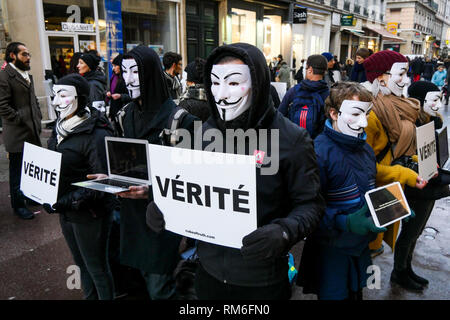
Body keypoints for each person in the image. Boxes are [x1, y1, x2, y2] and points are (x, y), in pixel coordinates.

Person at [146, 43, 325, 300]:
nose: (220, 95)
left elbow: (311, 204)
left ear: (258, 82)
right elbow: (189, 187)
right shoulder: (205, 132)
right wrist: (163, 206)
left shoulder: (292, 140)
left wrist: (285, 230)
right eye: (215, 83)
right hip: (208, 274)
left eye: (232, 83)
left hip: (260, 281)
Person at [95, 45, 195, 300]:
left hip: (163, 218)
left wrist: (152, 191)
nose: (127, 79)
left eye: (134, 71)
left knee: (160, 285)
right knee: (139, 280)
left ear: (150, 73)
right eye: (124, 71)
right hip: (131, 216)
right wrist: (108, 178)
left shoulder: (180, 120)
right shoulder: (125, 114)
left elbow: (192, 176)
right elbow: (121, 157)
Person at [297, 82, 386, 300]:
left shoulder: (364, 148)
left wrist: (391, 207)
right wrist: (343, 222)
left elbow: (367, 186)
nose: (364, 122)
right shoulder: (318, 153)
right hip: (331, 250)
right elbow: (308, 207)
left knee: (356, 294)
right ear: (334, 113)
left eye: (367, 113)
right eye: (355, 114)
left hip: (359, 245)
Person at [43, 73, 116, 300]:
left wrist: (67, 200)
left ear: (80, 98)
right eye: (55, 95)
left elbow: (102, 182)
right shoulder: (61, 128)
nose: (56, 102)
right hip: (67, 211)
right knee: (80, 264)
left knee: (97, 267)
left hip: (90, 214)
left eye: (63, 95)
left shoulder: (97, 134)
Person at [362, 50, 429, 260]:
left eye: (406, 73)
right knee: (366, 255)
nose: (406, 80)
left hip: (390, 190)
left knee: (377, 247)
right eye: (400, 74)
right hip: (374, 193)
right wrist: (404, 174)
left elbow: (398, 149)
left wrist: (419, 161)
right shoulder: (369, 114)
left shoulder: (399, 106)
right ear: (380, 78)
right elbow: (364, 167)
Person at [392, 81, 450, 291]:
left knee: (416, 232)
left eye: (439, 99)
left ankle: (406, 268)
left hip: (428, 184)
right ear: (419, 101)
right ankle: (399, 271)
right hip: (416, 187)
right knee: (409, 232)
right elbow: (401, 158)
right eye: (433, 100)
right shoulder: (411, 125)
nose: (438, 104)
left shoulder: (429, 122)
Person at [0, 42, 42, 220]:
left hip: (32, 131)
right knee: (17, 173)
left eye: (28, 54)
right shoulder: (4, 76)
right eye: (24, 54)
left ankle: (30, 197)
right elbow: (2, 105)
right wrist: (20, 119)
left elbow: (33, 100)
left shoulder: (26, 74)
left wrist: (38, 115)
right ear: (12, 55)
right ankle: (18, 205)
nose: (28, 57)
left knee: (30, 169)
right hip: (17, 134)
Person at [278, 54, 330, 139]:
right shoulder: (328, 95)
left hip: (294, 141)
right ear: (324, 72)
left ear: (310, 70)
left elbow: (280, 115)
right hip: (315, 144)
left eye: (306, 68)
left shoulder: (294, 91)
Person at [178, 57, 210, 122]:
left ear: (192, 82)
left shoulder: (185, 105)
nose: (183, 82)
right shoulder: (217, 102)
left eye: (186, 79)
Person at [105, 54, 131, 127]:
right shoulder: (114, 77)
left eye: (115, 66)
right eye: (112, 66)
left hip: (124, 112)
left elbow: (132, 96)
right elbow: (110, 89)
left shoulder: (127, 78)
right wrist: (108, 93)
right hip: (114, 111)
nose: (113, 68)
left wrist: (121, 96)